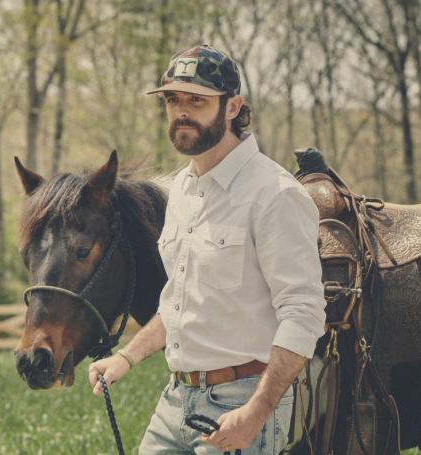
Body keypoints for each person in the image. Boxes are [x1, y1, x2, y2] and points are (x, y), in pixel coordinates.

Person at [87, 45, 326, 454]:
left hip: (243, 401)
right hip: (176, 398)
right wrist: (126, 358)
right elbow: (179, 301)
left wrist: (256, 412)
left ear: (233, 107)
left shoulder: (274, 194)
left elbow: (303, 315)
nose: (182, 111)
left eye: (197, 100)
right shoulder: (181, 189)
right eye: (172, 100)